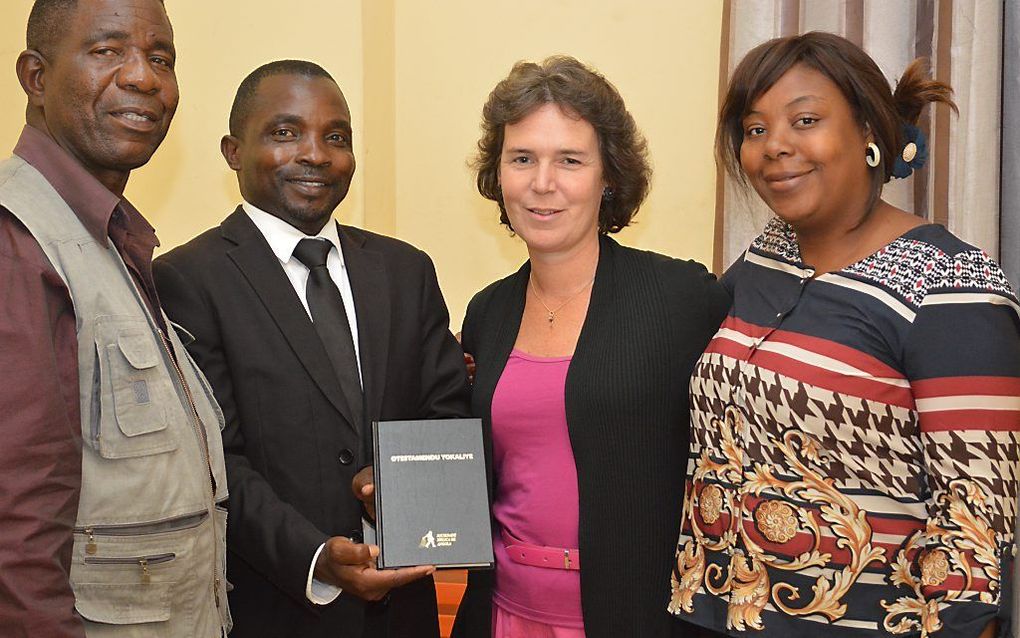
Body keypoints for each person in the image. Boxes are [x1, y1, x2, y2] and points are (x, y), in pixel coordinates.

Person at [668, 32, 1020, 638]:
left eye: (805, 120)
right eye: (754, 129)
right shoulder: (766, 259)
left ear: (869, 134)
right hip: (713, 614)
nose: (774, 146)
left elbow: (976, 527)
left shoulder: (952, 285)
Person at [153, 60, 470, 638]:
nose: (316, 154)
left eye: (336, 137)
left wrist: (403, 493)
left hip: (403, 612)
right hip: (273, 608)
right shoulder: (186, 280)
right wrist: (316, 558)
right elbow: (214, 462)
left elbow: (445, 413)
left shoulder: (405, 271)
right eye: (284, 132)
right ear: (232, 150)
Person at [448, 56, 730, 638]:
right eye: (521, 158)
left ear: (608, 177)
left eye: (570, 161)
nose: (542, 183)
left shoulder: (682, 299)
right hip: (502, 616)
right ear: (497, 175)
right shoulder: (487, 313)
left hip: (636, 619)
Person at [0, 0, 232, 636]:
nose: (143, 78)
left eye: (161, 59)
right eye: (108, 51)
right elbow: (16, 527)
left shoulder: (110, 240)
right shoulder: (18, 242)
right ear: (36, 78)